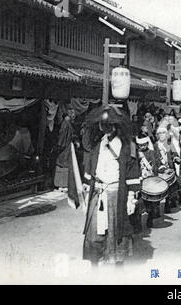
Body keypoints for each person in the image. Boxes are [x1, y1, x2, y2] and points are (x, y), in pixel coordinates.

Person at [81, 106, 134, 266]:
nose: (106, 128)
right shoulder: (98, 144)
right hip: (98, 191)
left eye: (109, 125)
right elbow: (91, 167)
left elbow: (132, 172)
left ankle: (118, 262)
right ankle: (95, 262)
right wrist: (85, 189)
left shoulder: (125, 146)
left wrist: (131, 197)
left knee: (116, 229)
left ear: (116, 127)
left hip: (115, 192)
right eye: (103, 125)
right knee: (94, 229)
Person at [54, 107, 79, 190]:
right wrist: (60, 146)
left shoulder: (67, 123)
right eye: (73, 114)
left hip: (67, 146)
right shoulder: (66, 123)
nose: (74, 116)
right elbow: (62, 136)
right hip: (65, 146)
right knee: (63, 164)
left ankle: (63, 184)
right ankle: (62, 184)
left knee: (64, 164)